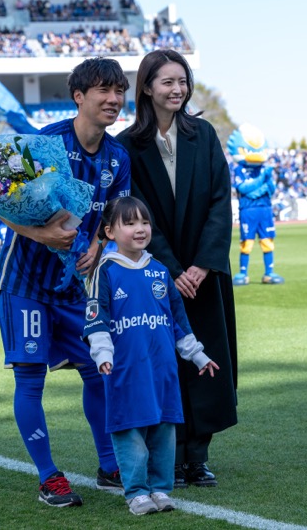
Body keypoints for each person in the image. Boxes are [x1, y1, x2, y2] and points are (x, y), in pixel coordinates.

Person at [0, 57, 131, 507]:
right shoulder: (45, 142)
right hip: (25, 282)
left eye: (119, 92)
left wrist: (98, 245)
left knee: (98, 370)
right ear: (79, 96)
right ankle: (49, 477)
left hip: (76, 285)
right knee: (31, 378)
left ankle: (110, 465)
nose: (114, 100)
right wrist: (39, 233)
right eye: (104, 92)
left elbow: (110, 217)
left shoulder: (118, 157)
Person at [116, 49, 237, 488]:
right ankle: (172, 452)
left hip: (204, 274)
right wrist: (171, 268)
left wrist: (202, 265)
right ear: (147, 87)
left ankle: (197, 458)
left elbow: (221, 202)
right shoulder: (129, 146)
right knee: (166, 363)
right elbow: (137, 212)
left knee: (206, 360)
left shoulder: (203, 134)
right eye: (167, 82)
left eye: (182, 81)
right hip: (155, 273)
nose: (178, 89)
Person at [83, 196, 218, 516]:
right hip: (126, 369)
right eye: (129, 223)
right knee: (130, 431)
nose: (139, 229)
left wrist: (197, 355)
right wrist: (102, 353)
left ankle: (160, 488)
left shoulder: (159, 271)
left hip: (162, 370)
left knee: (163, 430)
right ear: (109, 232)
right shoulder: (106, 271)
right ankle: (137, 492)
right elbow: (95, 317)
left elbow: (178, 322)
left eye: (144, 222)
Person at [227, 126, 284, 285]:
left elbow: (270, 189)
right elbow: (244, 189)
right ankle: (243, 274)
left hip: (265, 210)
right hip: (248, 210)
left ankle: (269, 273)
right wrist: (261, 183)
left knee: (267, 241)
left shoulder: (264, 169)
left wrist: (261, 187)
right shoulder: (240, 169)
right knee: (247, 242)